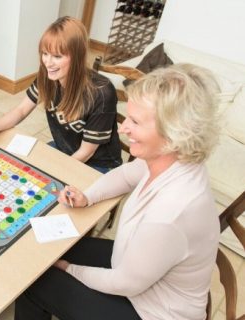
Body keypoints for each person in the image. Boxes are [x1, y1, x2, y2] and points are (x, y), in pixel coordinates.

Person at [14, 63, 221, 320]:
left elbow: (125, 283)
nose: (122, 129)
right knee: (49, 250)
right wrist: (87, 196)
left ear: (173, 134)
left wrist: (71, 271)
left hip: (152, 311)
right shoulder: (171, 158)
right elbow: (125, 175)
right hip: (135, 266)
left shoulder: (171, 212)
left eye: (134, 122)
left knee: (33, 283)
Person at [0, 17, 122, 173]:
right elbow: (21, 110)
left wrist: (53, 172)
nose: (48, 62)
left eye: (57, 56)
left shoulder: (102, 93)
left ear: (77, 57)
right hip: (64, 150)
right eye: (45, 53)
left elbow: (87, 152)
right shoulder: (47, 76)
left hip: (98, 164)